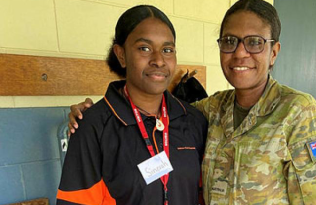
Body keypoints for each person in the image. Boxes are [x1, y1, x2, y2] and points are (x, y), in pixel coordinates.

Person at [67, 0, 316, 204]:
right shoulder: (211, 110)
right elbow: (156, 109)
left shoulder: (296, 110)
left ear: (273, 52)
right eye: (230, 41)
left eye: (255, 42)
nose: (240, 53)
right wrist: (94, 116)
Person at [57, 5, 208, 205]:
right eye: (144, 48)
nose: (158, 60)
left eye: (167, 50)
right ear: (121, 55)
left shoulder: (193, 120)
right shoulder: (94, 127)